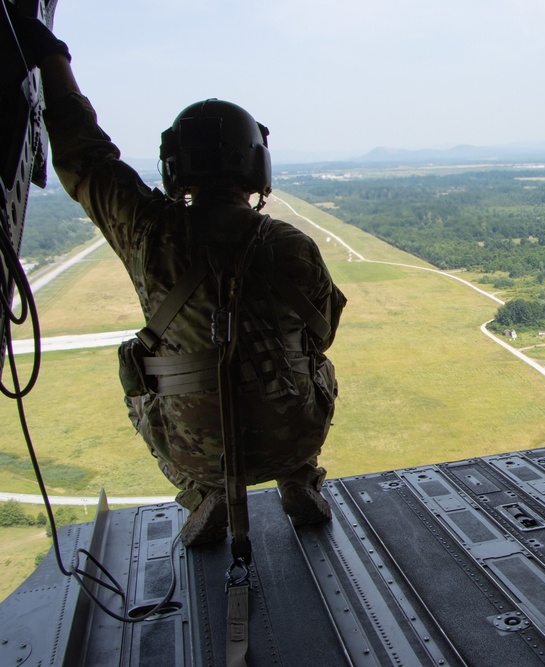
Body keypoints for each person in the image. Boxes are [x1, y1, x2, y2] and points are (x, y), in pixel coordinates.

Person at [15, 16, 346, 546]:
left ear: (174, 164)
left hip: (195, 447)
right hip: (292, 433)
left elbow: (86, 157)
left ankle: (203, 492)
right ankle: (299, 478)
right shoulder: (292, 244)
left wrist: (53, 61)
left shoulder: (148, 231)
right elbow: (322, 333)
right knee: (316, 363)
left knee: (136, 366)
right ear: (256, 166)